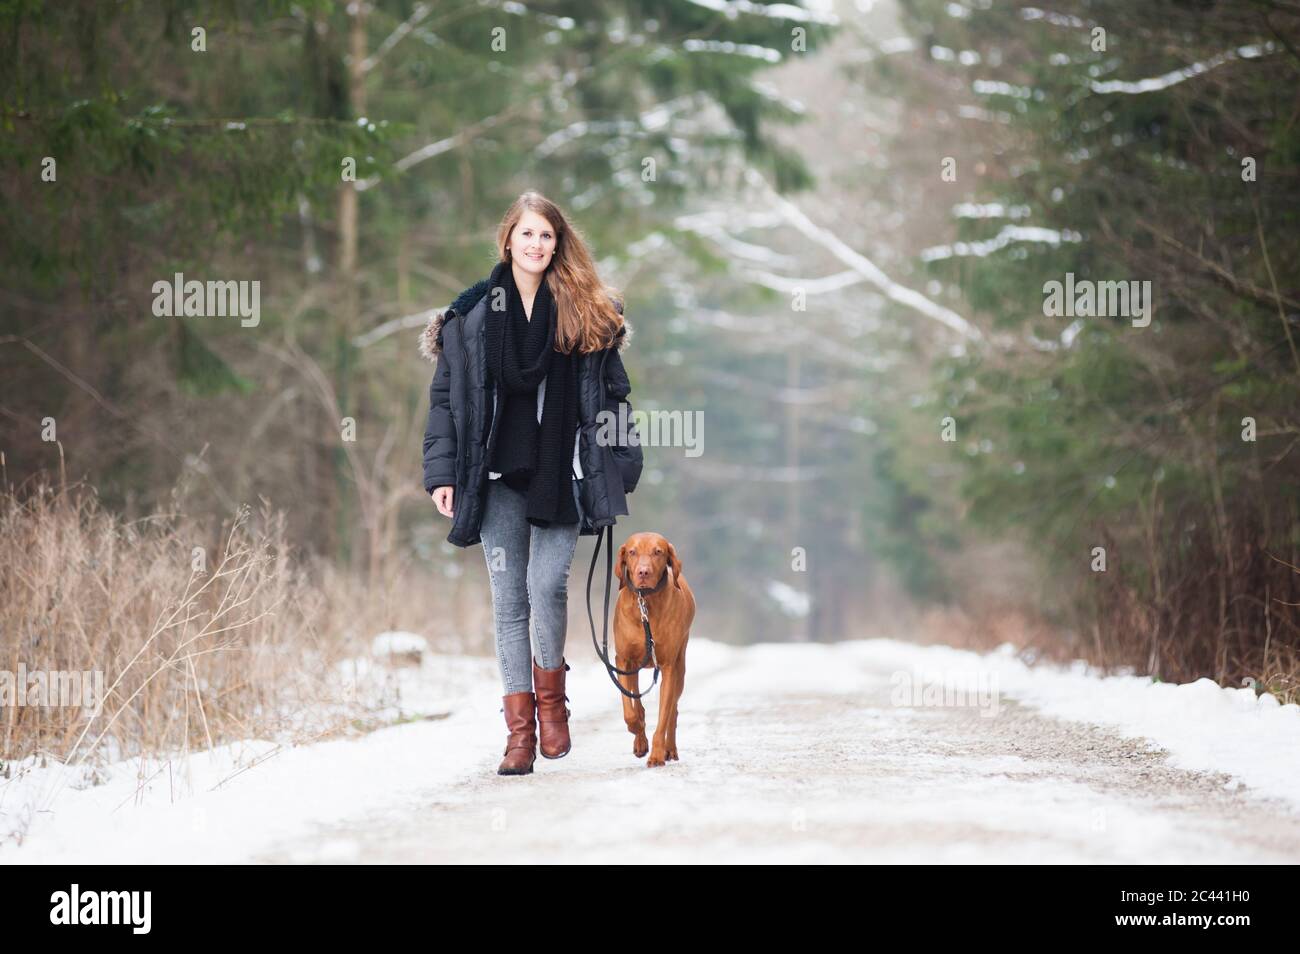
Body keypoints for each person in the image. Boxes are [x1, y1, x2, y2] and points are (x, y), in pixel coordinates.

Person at [419, 191, 644, 776]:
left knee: (546, 587)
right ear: (509, 240)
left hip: (561, 475)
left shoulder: (585, 312)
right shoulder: (468, 319)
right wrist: (442, 475)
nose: (536, 244)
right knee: (507, 600)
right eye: (527, 234)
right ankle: (519, 733)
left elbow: (614, 397)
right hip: (493, 477)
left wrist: (620, 464)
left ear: (557, 242)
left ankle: (552, 707)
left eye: (546, 235)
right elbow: (446, 401)